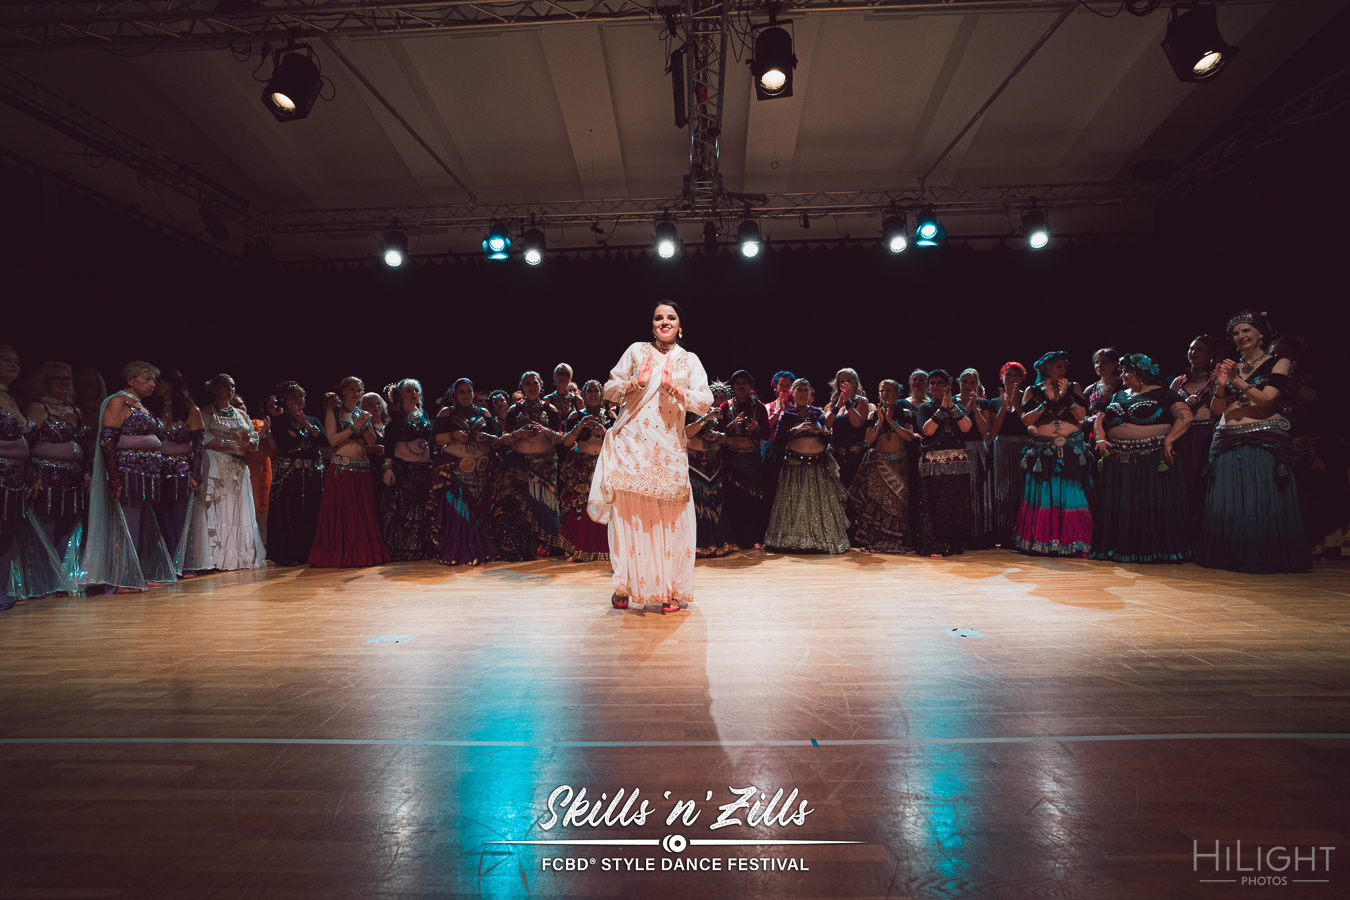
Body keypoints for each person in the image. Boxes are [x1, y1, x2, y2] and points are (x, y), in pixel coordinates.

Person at [588, 301, 712, 612]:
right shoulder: (635, 351)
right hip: (631, 446)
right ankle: (625, 584)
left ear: (680, 325)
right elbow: (609, 389)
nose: (664, 321)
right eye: (659, 317)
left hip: (668, 448)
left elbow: (704, 401)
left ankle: (671, 589)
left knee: (670, 518)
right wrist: (635, 383)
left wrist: (676, 389)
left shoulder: (689, 360)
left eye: (671, 317)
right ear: (652, 324)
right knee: (630, 516)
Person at [1198, 311, 1311, 574]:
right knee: (1230, 500)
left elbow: (1267, 399)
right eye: (1235, 333)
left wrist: (1236, 379)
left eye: (1246, 330)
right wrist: (1221, 386)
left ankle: (1265, 554)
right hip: (1226, 439)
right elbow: (1217, 409)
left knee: (1260, 498)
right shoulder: (1230, 367)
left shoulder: (1279, 362)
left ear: (1262, 333)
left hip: (1263, 437)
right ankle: (1232, 555)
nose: (1241, 336)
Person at [81, 360, 177, 592]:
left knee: (140, 527)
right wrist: (114, 477)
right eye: (147, 379)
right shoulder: (118, 401)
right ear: (130, 380)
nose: (152, 384)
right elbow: (107, 440)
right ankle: (120, 580)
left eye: (154, 380)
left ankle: (136, 574)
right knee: (125, 526)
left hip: (146, 475)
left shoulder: (140, 405)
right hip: (128, 473)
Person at [1091, 354, 1194, 563]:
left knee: (1150, 504)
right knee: (1123, 505)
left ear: (1140, 372)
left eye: (1126, 371)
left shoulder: (1164, 394)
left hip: (1152, 458)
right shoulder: (1118, 395)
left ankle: (1154, 550)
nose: (1122, 376)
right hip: (1118, 459)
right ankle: (1121, 548)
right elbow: (1099, 420)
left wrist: (1169, 441)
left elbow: (1185, 417)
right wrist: (1100, 438)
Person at [176, 374, 267, 573]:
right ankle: (214, 558)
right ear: (213, 388)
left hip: (239, 466)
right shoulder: (206, 411)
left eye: (232, 385)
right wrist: (230, 443)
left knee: (237, 509)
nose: (230, 389)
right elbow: (204, 439)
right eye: (225, 385)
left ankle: (236, 557)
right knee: (218, 508)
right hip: (216, 464)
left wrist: (249, 442)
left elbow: (254, 438)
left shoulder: (241, 414)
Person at [1014, 352, 1093, 557]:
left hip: (1070, 448)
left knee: (1070, 493)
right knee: (1044, 494)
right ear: (1047, 368)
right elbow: (1026, 421)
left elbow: (1081, 416)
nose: (1064, 370)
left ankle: (1073, 542)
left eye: (1065, 366)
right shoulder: (1032, 391)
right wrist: (1046, 403)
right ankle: (1042, 542)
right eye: (1059, 366)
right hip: (1042, 451)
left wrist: (1066, 397)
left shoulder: (1074, 387)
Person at [308, 376, 391, 567]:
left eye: (359, 390)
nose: (356, 393)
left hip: (362, 469)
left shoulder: (363, 414)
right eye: (352, 389)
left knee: (361, 514)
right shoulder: (334, 412)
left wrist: (364, 426)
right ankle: (339, 554)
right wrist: (354, 427)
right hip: (342, 468)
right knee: (342, 513)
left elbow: (372, 441)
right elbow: (332, 440)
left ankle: (361, 554)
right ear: (343, 391)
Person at [763, 378, 850, 553]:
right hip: (795, 466)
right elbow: (778, 440)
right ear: (792, 393)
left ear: (810, 394)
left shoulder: (817, 412)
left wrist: (823, 433)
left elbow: (826, 439)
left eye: (806, 390)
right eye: (799, 390)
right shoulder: (787, 414)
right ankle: (792, 542)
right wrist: (795, 431)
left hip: (817, 465)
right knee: (795, 506)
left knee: (818, 507)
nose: (803, 393)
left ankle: (820, 541)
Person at [492, 371, 566, 560]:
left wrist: (546, 431)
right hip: (521, 466)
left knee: (546, 504)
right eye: (528, 383)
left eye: (535, 383)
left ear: (541, 386)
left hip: (545, 464)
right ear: (522, 387)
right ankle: (527, 546)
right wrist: (518, 435)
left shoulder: (550, 409)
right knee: (522, 506)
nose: (532, 387)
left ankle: (548, 545)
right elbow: (504, 439)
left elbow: (560, 438)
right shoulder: (514, 410)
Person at [429, 378, 501, 566]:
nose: (466, 395)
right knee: (460, 512)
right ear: (454, 394)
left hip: (482, 471)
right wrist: (452, 435)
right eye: (462, 391)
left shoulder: (483, 412)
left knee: (481, 511)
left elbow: (498, 441)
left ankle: (481, 550)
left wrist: (488, 438)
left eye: (469, 391)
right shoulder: (447, 412)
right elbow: (434, 439)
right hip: (456, 471)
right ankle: (459, 551)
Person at [24, 360, 90, 566]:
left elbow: (83, 445)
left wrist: (87, 471)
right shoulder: (38, 407)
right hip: (46, 479)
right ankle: (44, 576)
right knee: (47, 526)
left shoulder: (75, 410)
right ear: (43, 382)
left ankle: (63, 575)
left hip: (74, 479)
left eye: (66, 378)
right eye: (57, 378)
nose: (63, 382)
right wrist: (30, 474)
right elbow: (26, 443)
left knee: (68, 528)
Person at [847, 379, 915, 553]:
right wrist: (879, 424)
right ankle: (876, 540)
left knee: (898, 504)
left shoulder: (905, 412)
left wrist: (891, 422)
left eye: (888, 391)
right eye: (881, 391)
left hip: (899, 465)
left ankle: (897, 540)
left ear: (897, 394)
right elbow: (868, 441)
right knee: (878, 503)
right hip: (878, 465)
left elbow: (909, 437)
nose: (884, 394)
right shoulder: (873, 415)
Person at [144, 369, 203, 569]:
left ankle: (183, 563)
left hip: (181, 469)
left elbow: (199, 445)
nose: (154, 384)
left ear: (170, 384)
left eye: (158, 381)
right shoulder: (151, 409)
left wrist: (196, 474)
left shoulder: (190, 410)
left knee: (180, 515)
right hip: (156, 469)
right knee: (160, 515)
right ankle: (164, 563)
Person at [267, 382, 327, 567]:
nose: (298, 400)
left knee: (311, 511)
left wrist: (306, 424)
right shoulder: (279, 421)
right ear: (285, 401)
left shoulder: (313, 420)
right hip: (289, 475)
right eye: (293, 397)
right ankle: (288, 553)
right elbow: (285, 442)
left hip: (312, 475)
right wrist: (297, 425)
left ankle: (310, 552)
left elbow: (324, 441)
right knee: (289, 513)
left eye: (301, 396)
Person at [915, 370, 974, 556]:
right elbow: (927, 431)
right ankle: (935, 545)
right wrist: (942, 410)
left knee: (955, 503)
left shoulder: (958, 407)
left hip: (957, 463)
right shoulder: (925, 408)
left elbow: (967, 427)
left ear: (948, 386)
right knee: (934, 502)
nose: (935, 386)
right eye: (932, 383)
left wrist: (952, 408)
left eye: (939, 382)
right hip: (933, 463)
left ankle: (953, 543)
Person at [1169, 335, 1224, 532]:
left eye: (1200, 349)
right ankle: (1184, 530)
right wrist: (1182, 405)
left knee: (1204, 480)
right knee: (1184, 480)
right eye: (1192, 348)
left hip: (1207, 433)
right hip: (1183, 435)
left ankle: (1206, 529)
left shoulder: (1216, 379)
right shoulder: (1178, 381)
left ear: (1211, 354)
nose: (1194, 352)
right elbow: (1167, 410)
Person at [379, 378, 435, 561]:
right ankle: (403, 550)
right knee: (404, 511)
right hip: (404, 470)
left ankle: (421, 548)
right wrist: (388, 468)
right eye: (409, 390)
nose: (414, 394)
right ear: (400, 395)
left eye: (416, 390)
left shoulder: (425, 416)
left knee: (422, 511)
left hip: (424, 471)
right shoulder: (395, 417)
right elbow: (388, 444)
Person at [559, 380, 613, 562]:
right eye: (589, 391)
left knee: (604, 505)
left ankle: (607, 549)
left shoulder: (611, 416)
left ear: (601, 394)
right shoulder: (576, 416)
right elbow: (566, 442)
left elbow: (620, 442)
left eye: (596, 390)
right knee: (581, 507)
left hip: (603, 466)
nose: (593, 394)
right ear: (583, 395)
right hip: (581, 466)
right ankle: (580, 549)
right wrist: (580, 427)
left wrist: (605, 433)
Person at [719, 370, 771, 550]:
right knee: (733, 501)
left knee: (752, 501)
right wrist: (732, 425)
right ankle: (735, 539)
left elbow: (767, 434)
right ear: (733, 387)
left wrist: (756, 429)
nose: (740, 386)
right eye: (737, 383)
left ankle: (753, 539)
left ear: (750, 386)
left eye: (744, 383)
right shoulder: (725, 406)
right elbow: (717, 432)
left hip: (751, 460)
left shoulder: (760, 407)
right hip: (731, 459)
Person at [686, 381, 738, 558]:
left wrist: (716, 436)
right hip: (695, 467)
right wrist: (705, 419)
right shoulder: (687, 412)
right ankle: (699, 544)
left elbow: (725, 437)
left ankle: (718, 543)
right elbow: (686, 433)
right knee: (698, 505)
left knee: (716, 504)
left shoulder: (715, 413)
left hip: (714, 466)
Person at [989, 362, 1029, 548]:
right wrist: (1004, 407)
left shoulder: (1028, 398)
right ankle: (1004, 533)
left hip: (1023, 446)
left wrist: (1016, 405)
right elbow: (993, 432)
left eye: (1016, 375)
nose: (1012, 378)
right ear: (1002, 377)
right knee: (1003, 490)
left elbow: (1029, 426)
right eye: (1008, 375)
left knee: (1022, 489)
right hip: (1002, 447)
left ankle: (1021, 533)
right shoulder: (994, 402)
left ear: (1022, 378)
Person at [958, 368, 994, 549]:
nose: (968, 385)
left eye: (972, 382)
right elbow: (957, 429)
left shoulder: (983, 403)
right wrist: (965, 411)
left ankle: (979, 535)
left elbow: (984, 430)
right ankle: (960, 534)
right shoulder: (952, 402)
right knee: (961, 493)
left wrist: (975, 409)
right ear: (959, 383)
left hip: (978, 452)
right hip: (959, 453)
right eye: (965, 381)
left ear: (977, 384)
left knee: (979, 494)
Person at [825, 368, 872, 489]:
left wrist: (847, 402)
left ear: (855, 382)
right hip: (836, 456)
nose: (845, 383)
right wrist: (837, 406)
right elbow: (826, 427)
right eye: (842, 381)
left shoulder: (861, 401)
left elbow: (857, 423)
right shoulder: (833, 404)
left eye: (848, 380)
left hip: (855, 457)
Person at [247, 395, 279, 543]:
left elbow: (273, 446)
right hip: (252, 465)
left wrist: (269, 433)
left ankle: (266, 541)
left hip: (266, 465)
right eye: (263, 407)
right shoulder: (251, 423)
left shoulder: (272, 423)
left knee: (266, 502)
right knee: (254, 501)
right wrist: (262, 431)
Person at [72, 367, 107, 431]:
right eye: (79, 384)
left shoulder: (108, 410)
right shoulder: (70, 411)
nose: (83, 388)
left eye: (89, 384)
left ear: (99, 387)